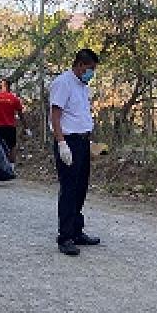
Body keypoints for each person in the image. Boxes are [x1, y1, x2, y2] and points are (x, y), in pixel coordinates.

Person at [50, 48, 101, 256]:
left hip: (81, 141)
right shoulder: (63, 83)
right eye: (90, 69)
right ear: (80, 65)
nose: (91, 73)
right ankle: (65, 237)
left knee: (81, 188)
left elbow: (79, 114)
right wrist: (61, 144)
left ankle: (77, 231)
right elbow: (55, 116)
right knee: (69, 189)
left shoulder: (82, 85)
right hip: (68, 141)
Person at [0, 79, 29, 164]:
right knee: (12, 147)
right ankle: (11, 167)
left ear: (1, 86)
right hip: (10, 126)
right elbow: (21, 114)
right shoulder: (14, 98)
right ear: (9, 86)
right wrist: (26, 127)